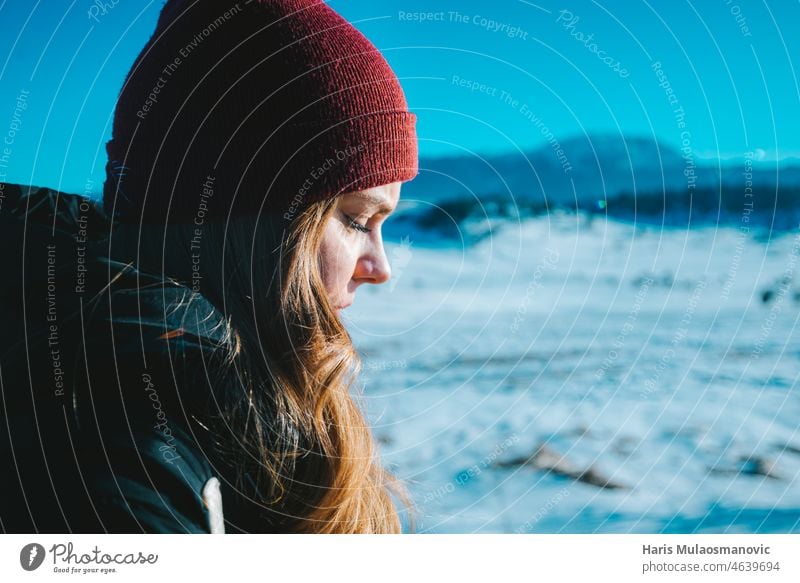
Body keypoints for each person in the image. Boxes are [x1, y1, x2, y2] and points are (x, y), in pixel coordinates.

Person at [0, 0, 418, 533]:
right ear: (248, 222)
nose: (379, 267)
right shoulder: (114, 439)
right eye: (357, 219)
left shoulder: (205, 401)